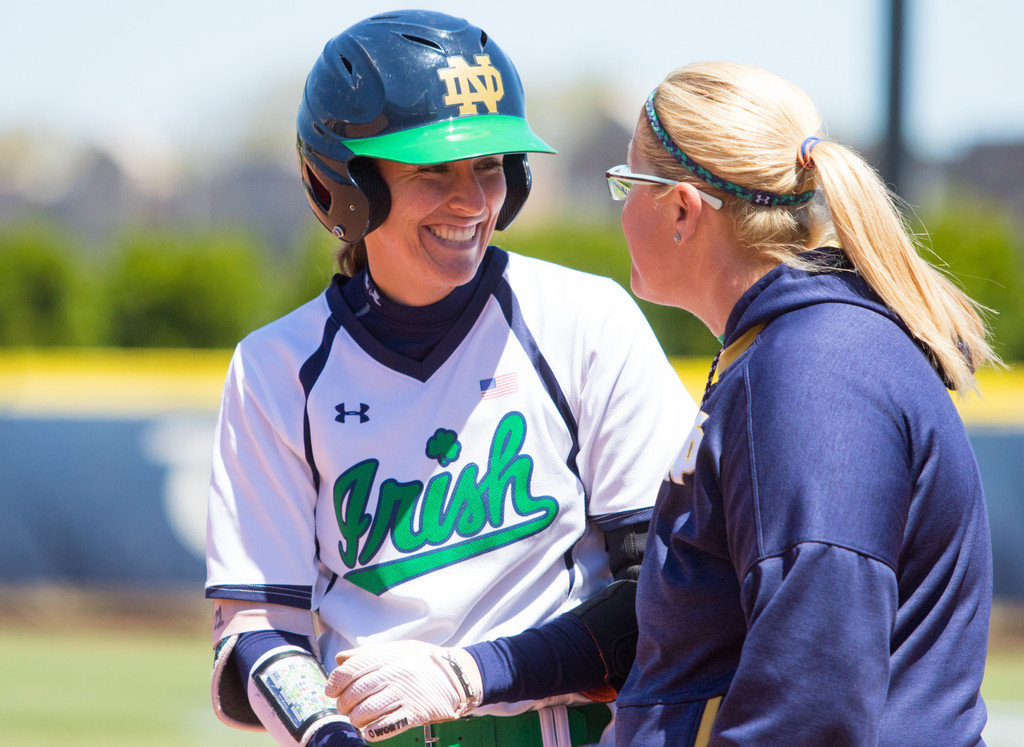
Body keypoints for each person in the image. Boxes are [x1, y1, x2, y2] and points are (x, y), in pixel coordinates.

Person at [204, 10, 696, 747]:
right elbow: (257, 627)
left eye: (489, 165)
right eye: (433, 169)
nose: (470, 201)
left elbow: (665, 591)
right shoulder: (277, 368)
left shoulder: (584, 320)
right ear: (347, 183)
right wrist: (325, 734)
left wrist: (471, 674)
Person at [603, 61, 997, 746]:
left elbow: (811, 699)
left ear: (681, 209)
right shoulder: (791, 348)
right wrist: (485, 671)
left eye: (627, 183)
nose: (621, 207)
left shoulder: (813, 370)